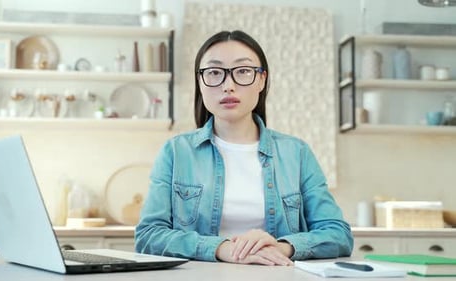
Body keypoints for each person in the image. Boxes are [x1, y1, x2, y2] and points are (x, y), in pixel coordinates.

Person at [135, 30, 353, 266]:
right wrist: (221, 248)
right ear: (200, 82)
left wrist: (280, 247)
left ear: (261, 80)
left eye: (243, 71)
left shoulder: (297, 153)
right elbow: (148, 236)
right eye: (214, 72)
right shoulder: (176, 152)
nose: (228, 86)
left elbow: (338, 234)